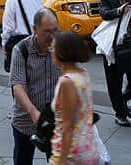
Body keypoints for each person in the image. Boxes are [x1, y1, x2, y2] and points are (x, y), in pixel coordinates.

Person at [10, 8, 61, 165]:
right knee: (23, 160)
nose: (52, 37)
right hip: (25, 121)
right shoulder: (21, 50)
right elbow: (18, 86)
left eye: (55, 31)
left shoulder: (61, 47)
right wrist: (33, 113)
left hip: (55, 122)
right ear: (35, 29)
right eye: (47, 32)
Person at [49, 32, 99, 165]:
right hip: (87, 147)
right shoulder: (83, 74)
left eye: (53, 48)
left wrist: (62, 160)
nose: (51, 52)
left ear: (63, 52)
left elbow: (67, 126)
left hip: (70, 154)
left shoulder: (67, 82)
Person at [1, 0, 44, 70]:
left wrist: (4, 44)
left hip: (19, 45)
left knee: (18, 78)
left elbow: (8, 26)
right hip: (35, 43)